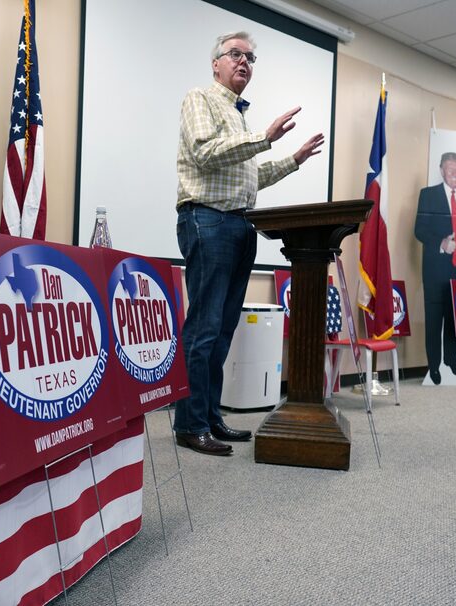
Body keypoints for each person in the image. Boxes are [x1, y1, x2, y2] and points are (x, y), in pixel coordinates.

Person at [173, 31, 324, 456]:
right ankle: (190, 424)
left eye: (250, 57)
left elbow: (248, 177)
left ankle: (210, 417)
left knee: (222, 332)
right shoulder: (199, 99)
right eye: (235, 54)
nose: (244, 62)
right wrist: (265, 138)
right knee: (203, 329)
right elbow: (204, 152)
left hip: (240, 225)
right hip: (208, 220)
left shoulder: (239, 118)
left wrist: (292, 161)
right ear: (215, 63)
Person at [414, 152, 456, 385]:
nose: (455, 174)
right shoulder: (428, 195)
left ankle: (451, 360)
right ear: (442, 170)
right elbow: (420, 230)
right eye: (451, 170)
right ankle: (434, 366)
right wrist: (442, 243)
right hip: (435, 269)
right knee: (434, 319)